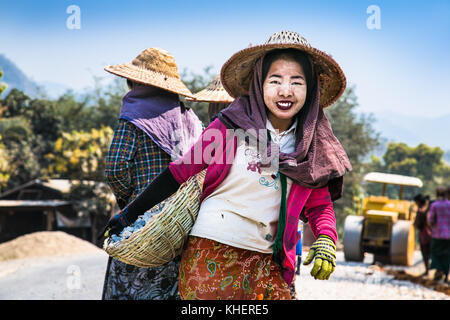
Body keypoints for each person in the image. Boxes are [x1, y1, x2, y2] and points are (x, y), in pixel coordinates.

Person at [101, 31, 352, 300]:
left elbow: (320, 204)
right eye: (275, 80)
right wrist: (128, 214)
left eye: (297, 82)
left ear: (310, 89)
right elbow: (179, 173)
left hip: (269, 261)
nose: (285, 91)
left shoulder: (312, 145)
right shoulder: (231, 126)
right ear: (259, 83)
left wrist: (326, 238)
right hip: (211, 253)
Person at [100, 48, 203, 299]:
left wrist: (129, 202)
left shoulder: (133, 119)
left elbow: (115, 168)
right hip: (178, 227)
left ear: (136, 82)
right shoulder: (191, 119)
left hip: (140, 226)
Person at [427, 186, 450, 283]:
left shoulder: (435, 205)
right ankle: (446, 276)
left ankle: (439, 270)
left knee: (435, 253)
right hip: (448, 235)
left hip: (437, 235)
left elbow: (431, 220)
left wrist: (431, 226)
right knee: (447, 255)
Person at [413, 193, 432, 276]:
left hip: (424, 234)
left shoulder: (420, 211)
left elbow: (417, 224)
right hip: (433, 234)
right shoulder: (430, 208)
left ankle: (427, 270)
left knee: (425, 253)